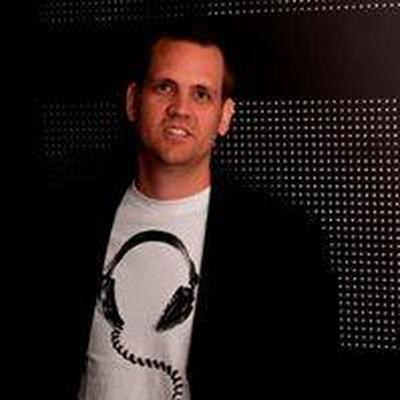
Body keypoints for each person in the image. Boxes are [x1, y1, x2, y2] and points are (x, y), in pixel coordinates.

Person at [41, 20, 338, 400]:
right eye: (165, 87)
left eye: (201, 94)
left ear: (224, 116)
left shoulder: (285, 242)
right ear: (133, 101)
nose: (180, 109)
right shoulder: (64, 223)